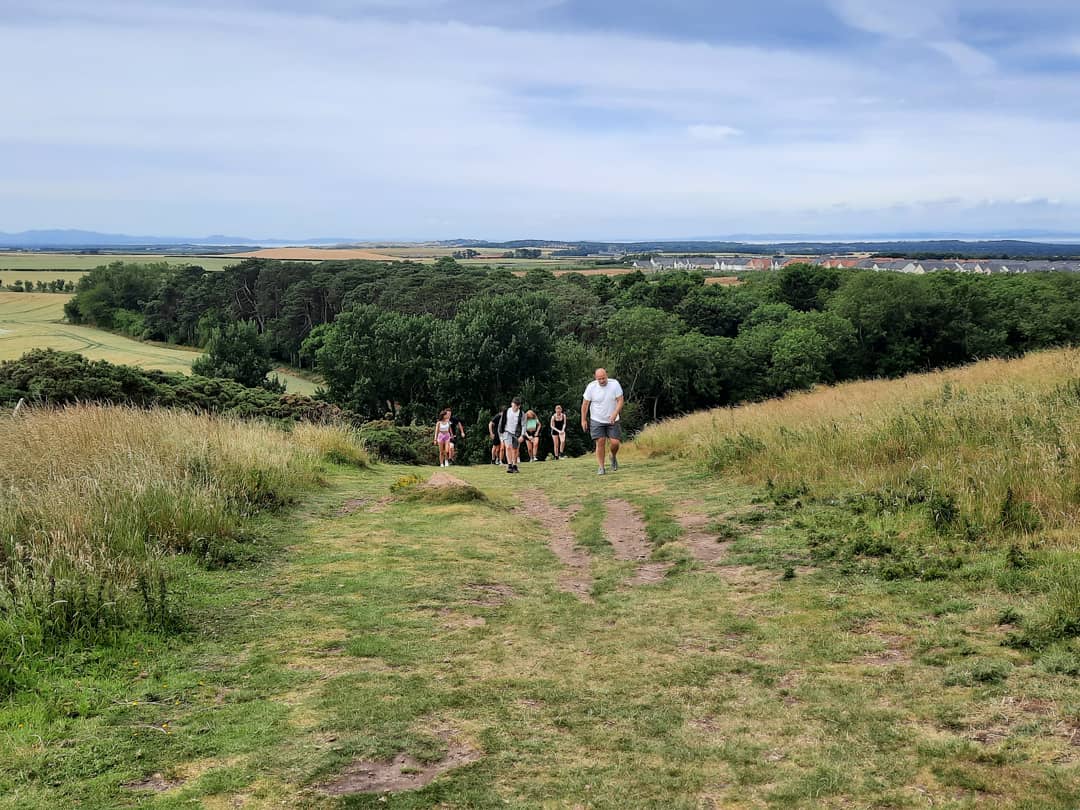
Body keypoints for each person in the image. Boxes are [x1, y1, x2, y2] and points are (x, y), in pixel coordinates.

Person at [581, 367, 624, 475]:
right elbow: (585, 404)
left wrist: (615, 413)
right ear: (595, 378)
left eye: (603, 378)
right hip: (597, 419)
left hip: (613, 418)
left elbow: (620, 400)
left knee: (615, 443)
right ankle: (601, 467)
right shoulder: (591, 387)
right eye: (599, 379)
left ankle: (613, 456)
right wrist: (583, 420)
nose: (601, 381)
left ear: (606, 376)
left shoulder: (614, 384)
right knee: (600, 442)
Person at [495, 396, 525, 474]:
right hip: (506, 431)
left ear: (519, 406)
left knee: (515, 449)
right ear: (511, 404)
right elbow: (501, 424)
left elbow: (523, 425)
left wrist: (522, 435)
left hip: (516, 433)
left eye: (517, 406)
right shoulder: (506, 411)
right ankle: (509, 465)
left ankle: (514, 465)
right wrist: (500, 435)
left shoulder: (521, 414)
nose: (515, 407)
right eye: (514, 405)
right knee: (508, 447)